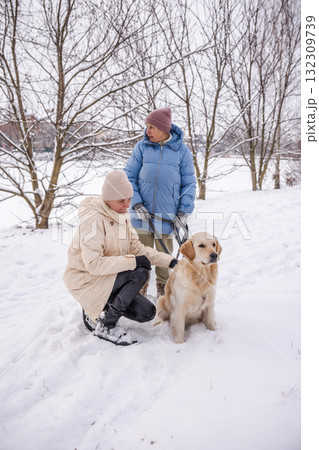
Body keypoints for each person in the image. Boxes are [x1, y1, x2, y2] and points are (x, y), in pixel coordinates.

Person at [63, 170, 177, 346]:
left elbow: (138, 249)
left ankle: (101, 306)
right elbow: (93, 265)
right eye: (121, 201)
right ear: (107, 199)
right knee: (140, 270)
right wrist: (133, 262)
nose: (127, 205)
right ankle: (106, 324)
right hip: (87, 280)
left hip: (110, 276)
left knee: (146, 313)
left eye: (129, 199)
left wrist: (170, 262)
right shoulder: (93, 221)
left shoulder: (121, 216)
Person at [124, 107, 196, 297]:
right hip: (141, 213)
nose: (147, 131)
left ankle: (164, 290)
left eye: (151, 127)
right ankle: (139, 288)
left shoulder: (182, 151)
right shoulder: (142, 147)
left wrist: (184, 211)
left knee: (165, 255)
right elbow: (129, 176)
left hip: (167, 215)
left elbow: (189, 183)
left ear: (164, 129)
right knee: (141, 254)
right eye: (147, 127)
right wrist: (136, 203)